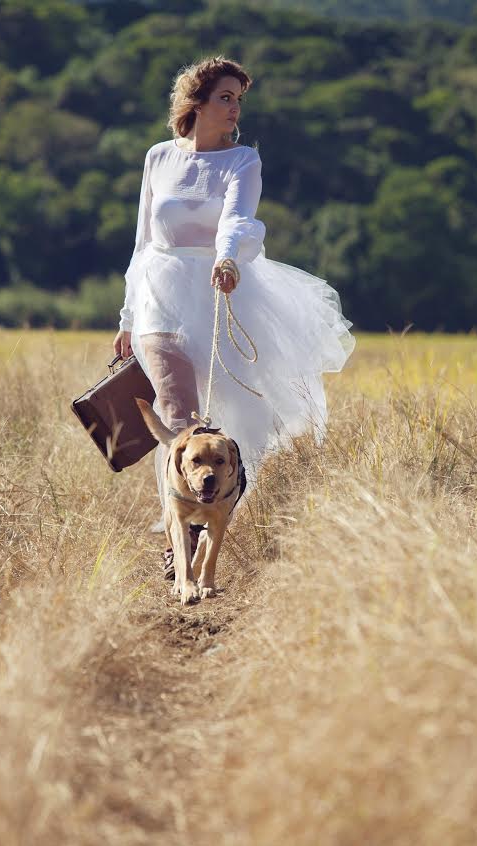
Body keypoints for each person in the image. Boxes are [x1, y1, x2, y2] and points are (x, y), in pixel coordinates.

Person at [112, 55, 355, 530]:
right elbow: (142, 242)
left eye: (239, 100)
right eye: (225, 98)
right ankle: (179, 534)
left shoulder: (243, 160)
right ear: (196, 102)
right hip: (159, 298)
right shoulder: (158, 157)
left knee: (236, 421)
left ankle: (220, 519)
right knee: (178, 417)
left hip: (222, 295)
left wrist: (227, 257)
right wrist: (126, 318)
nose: (234, 109)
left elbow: (237, 218)